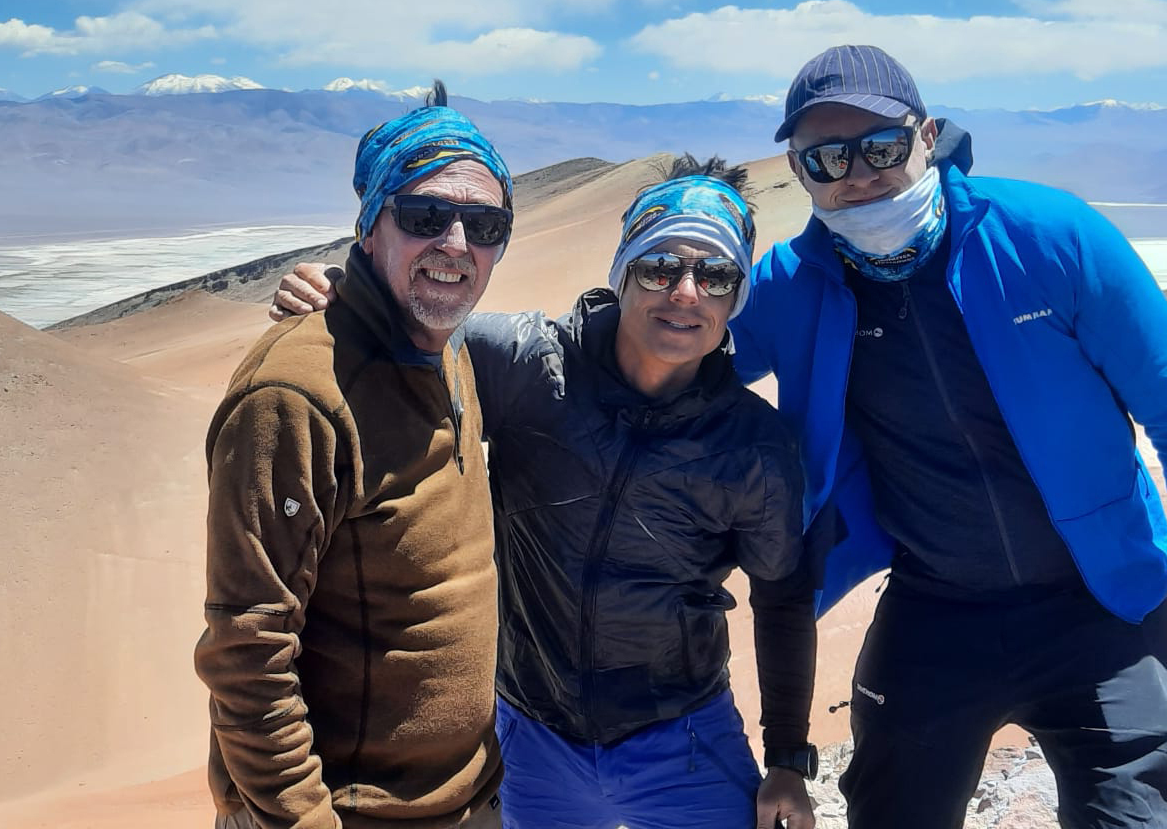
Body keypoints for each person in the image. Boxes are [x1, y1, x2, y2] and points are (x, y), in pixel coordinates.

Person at [272, 174, 819, 829]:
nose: (684, 293)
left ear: (736, 299)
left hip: (683, 737)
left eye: (716, 276)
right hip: (532, 737)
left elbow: (782, 596)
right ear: (622, 272)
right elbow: (408, 334)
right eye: (659, 267)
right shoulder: (525, 365)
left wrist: (787, 758)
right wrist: (338, 294)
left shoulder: (753, 446)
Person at [732, 44, 1167, 827]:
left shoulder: (1050, 237)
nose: (858, 174)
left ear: (928, 136)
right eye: (828, 158)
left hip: (1103, 601)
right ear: (799, 171)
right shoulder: (790, 286)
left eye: (882, 146)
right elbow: (673, 358)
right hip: (936, 606)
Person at [195, 84, 514, 829]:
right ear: (371, 226)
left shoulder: (448, 348)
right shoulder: (296, 397)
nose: (456, 244)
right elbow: (248, 651)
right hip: (347, 809)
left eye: (485, 225)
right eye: (425, 216)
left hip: (463, 798)